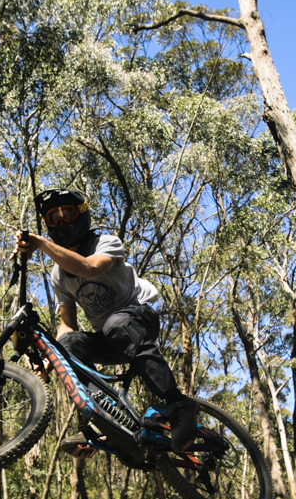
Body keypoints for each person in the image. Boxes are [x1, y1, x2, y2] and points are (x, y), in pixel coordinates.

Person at [13, 188, 197, 453]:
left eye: (67, 214)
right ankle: (108, 421)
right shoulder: (57, 275)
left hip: (140, 317)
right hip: (110, 337)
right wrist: (49, 361)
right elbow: (68, 324)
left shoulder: (106, 243)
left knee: (116, 323)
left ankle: (179, 404)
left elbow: (88, 268)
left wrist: (41, 243)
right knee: (69, 344)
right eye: (53, 218)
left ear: (82, 216)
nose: (61, 222)